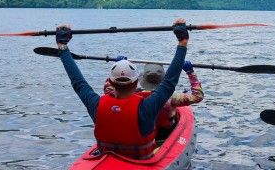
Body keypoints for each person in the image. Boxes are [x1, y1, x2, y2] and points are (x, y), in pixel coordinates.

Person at [54, 18, 190, 159]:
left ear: (111, 82)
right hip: (141, 162)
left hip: (106, 159)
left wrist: (62, 46)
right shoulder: (147, 107)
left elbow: (78, 82)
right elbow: (169, 82)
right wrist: (182, 42)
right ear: (137, 81)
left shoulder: (96, 104)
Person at [104, 61, 204, 141]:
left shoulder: (129, 95)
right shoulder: (171, 98)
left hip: (139, 135)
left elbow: (108, 91)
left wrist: (119, 68)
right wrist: (190, 73)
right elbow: (197, 96)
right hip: (163, 136)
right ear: (163, 79)